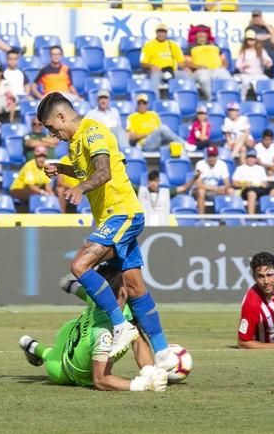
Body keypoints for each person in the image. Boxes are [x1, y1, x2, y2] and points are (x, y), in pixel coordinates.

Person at [38, 92, 178, 370]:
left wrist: (78, 189)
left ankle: (119, 324)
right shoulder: (77, 143)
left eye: (53, 128)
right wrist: (63, 168)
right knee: (135, 286)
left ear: (62, 116)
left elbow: (104, 172)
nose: (54, 135)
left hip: (122, 213)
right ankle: (163, 353)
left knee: (79, 265)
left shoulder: (93, 132)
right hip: (113, 217)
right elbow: (88, 169)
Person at [19, 264, 168, 392]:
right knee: (50, 356)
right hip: (63, 368)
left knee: (133, 326)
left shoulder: (105, 302)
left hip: (72, 330)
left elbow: (136, 337)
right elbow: (101, 380)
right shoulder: (103, 335)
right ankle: (32, 346)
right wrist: (143, 384)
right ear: (123, 292)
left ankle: (32, 346)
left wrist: (149, 371)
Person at [126, 93, 194, 152]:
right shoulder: (132, 117)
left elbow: (161, 132)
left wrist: (154, 132)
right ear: (137, 105)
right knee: (163, 128)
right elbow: (131, 137)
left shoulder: (153, 114)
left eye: (144, 103)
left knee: (169, 136)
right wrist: (148, 133)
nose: (142, 105)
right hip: (144, 143)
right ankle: (185, 144)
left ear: (147, 104)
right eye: (139, 103)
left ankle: (182, 147)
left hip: (158, 141)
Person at [185, 29, 231, 101]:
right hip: (200, 70)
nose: (201, 35)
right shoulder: (190, 47)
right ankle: (211, 99)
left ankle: (227, 99)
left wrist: (224, 66)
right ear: (196, 36)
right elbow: (187, 62)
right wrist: (198, 67)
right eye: (199, 33)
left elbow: (224, 60)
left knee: (226, 75)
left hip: (216, 69)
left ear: (207, 35)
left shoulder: (215, 45)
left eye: (203, 33)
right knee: (203, 77)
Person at [140, 23, 186, 90]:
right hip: (158, 71)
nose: (161, 34)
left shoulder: (173, 45)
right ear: (156, 32)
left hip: (171, 71)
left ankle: (183, 97)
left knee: (185, 75)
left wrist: (186, 68)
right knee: (155, 76)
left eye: (163, 32)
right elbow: (143, 63)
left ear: (166, 33)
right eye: (159, 31)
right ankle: (155, 97)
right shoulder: (148, 45)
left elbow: (181, 62)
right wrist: (151, 66)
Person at [232, 149, 274, 215]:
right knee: (252, 193)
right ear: (246, 158)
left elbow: (265, 183)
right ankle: (251, 217)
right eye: (249, 157)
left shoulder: (261, 169)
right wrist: (245, 184)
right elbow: (234, 183)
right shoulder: (240, 168)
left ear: (256, 159)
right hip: (247, 189)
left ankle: (271, 215)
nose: (251, 159)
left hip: (259, 188)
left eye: (253, 157)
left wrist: (264, 184)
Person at [236, 29, 272, 99]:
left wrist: (267, 63)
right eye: (248, 39)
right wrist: (244, 66)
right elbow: (237, 65)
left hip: (259, 75)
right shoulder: (244, 52)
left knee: (266, 82)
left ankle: (263, 100)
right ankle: (242, 100)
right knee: (245, 84)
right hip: (247, 75)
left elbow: (268, 61)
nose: (250, 41)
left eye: (252, 39)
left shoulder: (261, 51)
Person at [194, 145, 231, 214]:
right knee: (201, 191)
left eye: (214, 156)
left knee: (230, 191)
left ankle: (228, 217)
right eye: (210, 156)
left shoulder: (222, 164)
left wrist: (223, 188)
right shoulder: (200, 164)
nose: (212, 158)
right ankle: (201, 218)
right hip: (202, 190)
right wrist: (215, 189)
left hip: (214, 190)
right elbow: (198, 184)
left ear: (217, 156)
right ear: (207, 156)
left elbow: (227, 183)